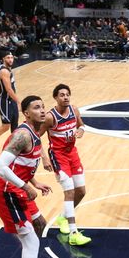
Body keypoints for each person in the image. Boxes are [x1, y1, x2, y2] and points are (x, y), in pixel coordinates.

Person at [0, 95, 57, 258]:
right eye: (37, 108)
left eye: (43, 106)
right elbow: (0, 167)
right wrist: (26, 186)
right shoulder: (21, 135)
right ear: (26, 113)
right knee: (30, 241)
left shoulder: (36, 134)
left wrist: (34, 182)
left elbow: (21, 164)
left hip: (18, 188)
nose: (43, 110)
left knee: (39, 224)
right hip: (6, 191)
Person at [40, 83, 92, 246]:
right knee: (69, 192)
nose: (65, 97)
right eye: (62, 95)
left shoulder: (74, 110)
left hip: (72, 154)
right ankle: (73, 233)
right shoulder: (50, 117)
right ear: (55, 97)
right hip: (58, 156)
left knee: (81, 192)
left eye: (67, 94)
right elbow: (36, 137)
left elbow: (81, 124)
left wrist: (81, 130)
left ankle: (63, 217)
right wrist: (44, 157)